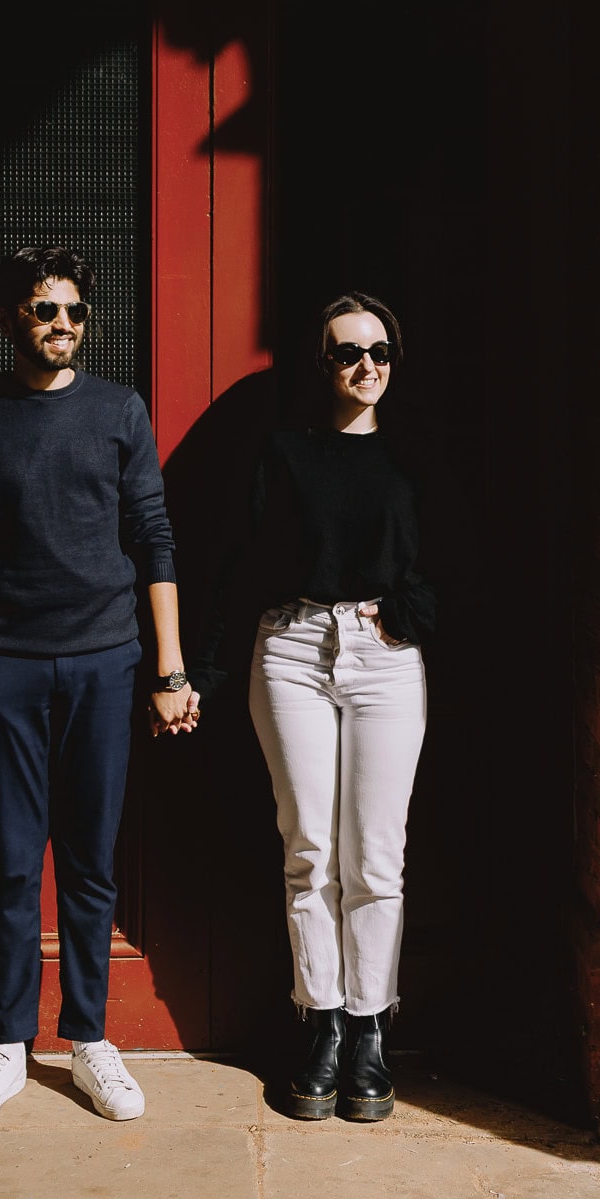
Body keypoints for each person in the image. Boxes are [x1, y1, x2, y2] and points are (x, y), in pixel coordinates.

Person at [0, 244, 198, 1128]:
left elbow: (154, 537)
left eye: (75, 312)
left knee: (87, 861)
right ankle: (4, 1044)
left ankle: (88, 1039)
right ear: (11, 319)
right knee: (8, 863)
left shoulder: (118, 410)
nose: (63, 326)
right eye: (45, 311)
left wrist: (168, 668)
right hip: (5, 666)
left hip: (105, 661)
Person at [191, 292, 435, 1123]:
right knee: (310, 850)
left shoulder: (418, 455)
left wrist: (401, 616)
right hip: (292, 649)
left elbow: (459, 560)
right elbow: (234, 558)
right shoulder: (284, 453)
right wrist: (201, 672)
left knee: (375, 857)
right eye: (346, 352)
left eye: (380, 350)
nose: (366, 365)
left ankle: (370, 1029)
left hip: (385, 661)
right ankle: (321, 1022)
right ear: (320, 365)